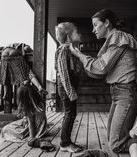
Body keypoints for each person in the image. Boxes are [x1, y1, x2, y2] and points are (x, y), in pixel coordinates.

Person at [69, 9, 137, 153]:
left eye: (96, 25)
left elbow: (101, 67)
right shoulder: (110, 43)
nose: (93, 29)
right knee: (112, 139)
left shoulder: (119, 37)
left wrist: (80, 55)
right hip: (117, 93)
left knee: (116, 145)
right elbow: (98, 72)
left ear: (107, 23)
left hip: (127, 93)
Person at [0, 43, 54, 152]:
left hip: (4, 58)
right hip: (15, 57)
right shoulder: (37, 101)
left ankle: (5, 92)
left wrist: (32, 139)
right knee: (26, 74)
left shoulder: (4, 48)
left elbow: (31, 129)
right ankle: (39, 86)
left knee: (5, 79)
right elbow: (30, 74)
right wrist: (39, 86)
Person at [55, 22, 83, 153]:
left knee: (71, 113)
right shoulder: (64, 50)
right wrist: (70, 91)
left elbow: (75, 69)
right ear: (68, 36)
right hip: (66, 87)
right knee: (69, 113)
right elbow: (64, 74)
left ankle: (67, 141)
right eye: (76, 32)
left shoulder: (70, 50)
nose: (79, 34)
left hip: (69, 86)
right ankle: (64, 143)